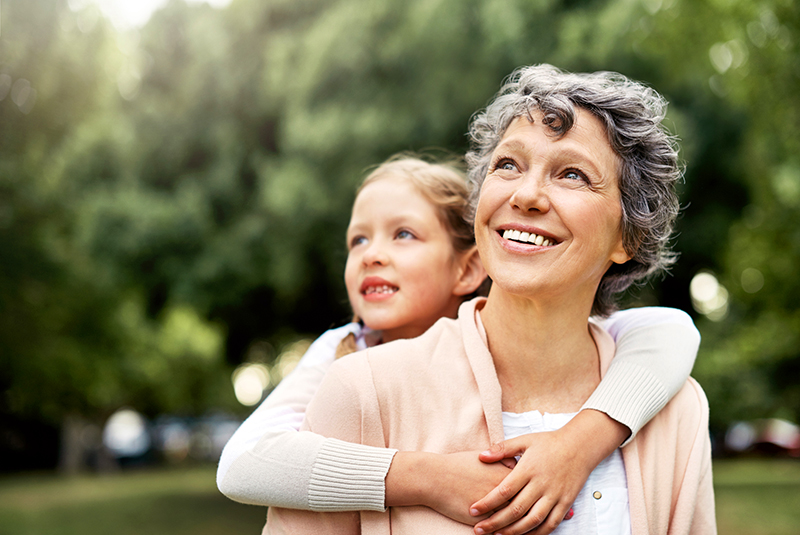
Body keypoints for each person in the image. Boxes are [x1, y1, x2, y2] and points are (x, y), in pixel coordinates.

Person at [264, 64, 715, 535]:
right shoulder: (364, 391)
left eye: (573, 174)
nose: (526, 195)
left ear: (627, 237)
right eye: (508, 165)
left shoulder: (676, 411)